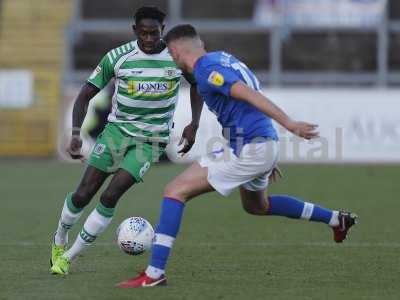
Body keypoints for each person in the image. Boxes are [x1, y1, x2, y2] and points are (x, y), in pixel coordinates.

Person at [116, 24, 358, 288]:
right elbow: (245, 102)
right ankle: (336, 219)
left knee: (175, 191)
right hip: (259, 144)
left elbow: (247, 94)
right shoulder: (222, 58)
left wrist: (289, 124)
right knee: (257, 206)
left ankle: (153, 274)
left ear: (176, 51)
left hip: (251, 148)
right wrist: (267, 151)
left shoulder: (207, 70)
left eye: (171, 55)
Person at [50, 8, 203, 275]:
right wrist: (76, 133)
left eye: (153, 33)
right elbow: (85, 95)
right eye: (143, 33)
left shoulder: (175, 57)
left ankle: (69, 258)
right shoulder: (118, 57)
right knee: (84, 193)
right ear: (134, 31)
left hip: (152, 141)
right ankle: (60, 236)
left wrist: (194, 124)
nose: (148, 38)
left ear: (162, 30)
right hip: (116, 133)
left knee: (111, 195)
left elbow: (198, 85)